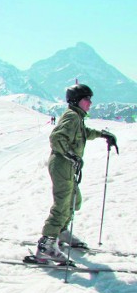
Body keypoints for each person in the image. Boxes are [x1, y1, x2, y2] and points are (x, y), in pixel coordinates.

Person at [36, 84, 118, 262]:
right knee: (63, 203)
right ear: (76, 100)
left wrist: (103, 134)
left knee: (74, 200)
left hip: (68, 164)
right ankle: (46, 244)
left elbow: (83, 133)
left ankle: (61, 231)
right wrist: (71, 155)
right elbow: (56, 137)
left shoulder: (77, 118)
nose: (90, 102)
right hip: (62, 164)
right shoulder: (72, 117)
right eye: (86, 98)